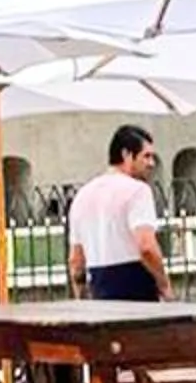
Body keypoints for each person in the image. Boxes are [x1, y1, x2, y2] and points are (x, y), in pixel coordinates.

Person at [68, 125, 169, 302]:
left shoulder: (82, 196)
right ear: (127, 155)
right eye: (146, 156)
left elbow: (76, 261)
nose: (152, 163)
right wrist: (164, 284)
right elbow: (146, 247)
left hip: (99, 288)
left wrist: (81, 297)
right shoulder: (138, 191)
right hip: (136, 287)